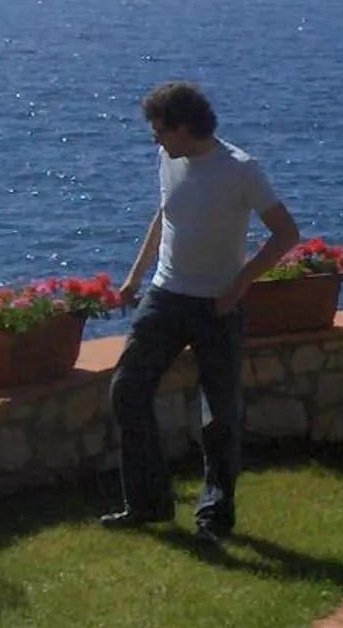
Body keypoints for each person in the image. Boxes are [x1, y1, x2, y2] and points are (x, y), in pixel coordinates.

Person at [103, 81, 298, 545]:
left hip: (216, 304)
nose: (155, 139)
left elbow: (286, 234)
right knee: (127, 389)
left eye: (160, 130)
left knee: (219, 415)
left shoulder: (240, 169)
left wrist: (237, 288)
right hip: (165, 295)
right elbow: (165, 215)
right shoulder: (168, 157)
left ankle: (214, 517)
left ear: (185, 128)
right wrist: (134, 277)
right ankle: (148, 503)